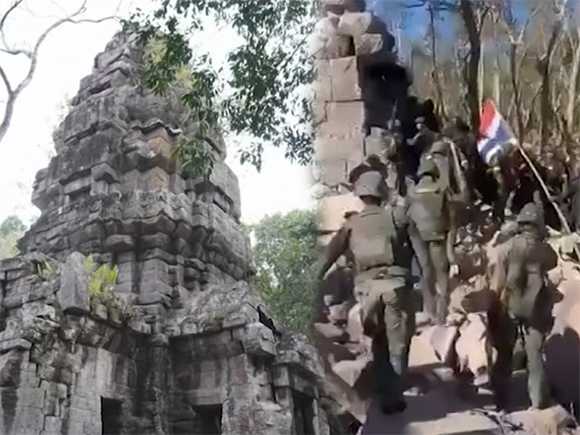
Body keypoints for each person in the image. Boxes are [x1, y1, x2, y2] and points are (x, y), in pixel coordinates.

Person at [318, 170, 415, 414]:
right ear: (382, 191)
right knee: (398, 342)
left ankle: (385, 393)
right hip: (395, 286)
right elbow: (419, 251)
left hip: (366, 290)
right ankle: (394, 395)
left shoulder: (350, 225)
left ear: (361, 194)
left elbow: (326, 259)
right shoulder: (396, 216)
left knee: (378, 340)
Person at [488, 202, 558, 412]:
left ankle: (501, 401)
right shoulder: (546, 250)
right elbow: (553, 265)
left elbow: (498, 282)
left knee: (504, 353)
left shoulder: (506, 248)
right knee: (535, 354)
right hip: (536, 308)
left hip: (510, 305)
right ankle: (538, 402)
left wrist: (495, 307)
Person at [408, 158, 468, 325]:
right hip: (438, 237)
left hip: (418, 238)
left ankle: (430, 311)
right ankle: (441, 314)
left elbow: (407, 216)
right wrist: (451, 250)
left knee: (426, 271)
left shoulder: (411, 191)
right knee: (441, 273)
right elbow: (452, 217)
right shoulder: (442, 189)